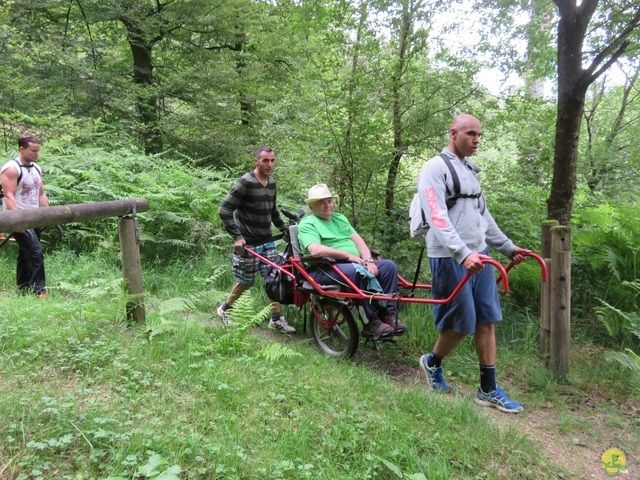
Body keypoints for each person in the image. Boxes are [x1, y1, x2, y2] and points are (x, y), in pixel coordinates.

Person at [416, 114, 530, 413]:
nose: (476, 140)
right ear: (453, 133)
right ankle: (432, 362)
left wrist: (507, 248)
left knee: (486, 320)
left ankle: (488, 389)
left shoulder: (470, 172)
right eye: (470, 134)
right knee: (460, 324)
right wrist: (462, 253)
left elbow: (484, 217)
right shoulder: (434, 168)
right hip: (450, 256)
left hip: (480, 256)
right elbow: (437, 216)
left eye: (479, 135)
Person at [297, 184, 407, 340]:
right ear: (311, 206)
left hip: (352, 264)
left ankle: (387, 314)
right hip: (324, 268)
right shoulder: (308, 223)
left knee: (388, 266)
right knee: (356, 272)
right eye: (322, 202)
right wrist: (347, 256)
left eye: (329, 201)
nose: (327, 205)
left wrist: (369, 260)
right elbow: (315, 250)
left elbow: (359, 243)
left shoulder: (340, 218)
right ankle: (370, 322)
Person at [217, 147, 295, 333]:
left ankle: (276, 319)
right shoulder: (245, 182)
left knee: (273, 279)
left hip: (267, 241)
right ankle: (224, 309)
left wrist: (284, 229)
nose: (270, 165)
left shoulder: (272, 183)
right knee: (246, 281)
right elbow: (224, 210)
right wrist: (237, 236)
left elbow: (272, 210)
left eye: (272, 161)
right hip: (248, 243)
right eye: (265, 161)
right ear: (256, 162)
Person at [1, 134, 49, 297]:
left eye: (38, 151)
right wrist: (18, 222)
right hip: (19, 218)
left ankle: (23, 287)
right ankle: (39, 291)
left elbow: (40, 193)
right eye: (33, 151)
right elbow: (9, 196)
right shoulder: (11, 169)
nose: (37, 154)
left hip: (34, 217)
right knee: (35, 252)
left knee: (25, 252)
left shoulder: (36, 168)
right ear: (22, 149)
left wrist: (48, 215)